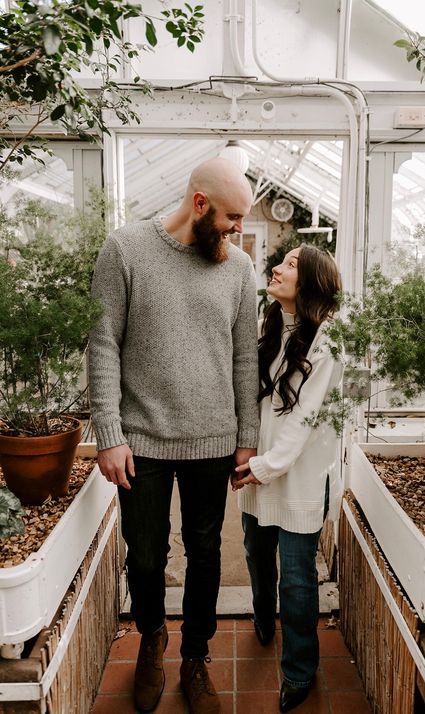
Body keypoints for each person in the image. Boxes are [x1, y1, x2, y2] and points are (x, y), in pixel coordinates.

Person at [88, 157, 259, 714]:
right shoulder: (126, 250)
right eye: (233, 216)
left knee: (206, 553)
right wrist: (109, 432)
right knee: (144, 555)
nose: (238, 228)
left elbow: (243, 360)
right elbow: (103, 342)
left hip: (213, 439)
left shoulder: (238, 270)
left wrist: (246, 436)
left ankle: (195, 655)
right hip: (141, 440)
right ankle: (152, 638)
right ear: (201, 203)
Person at [233, 244, 343, 713]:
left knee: (297, 581)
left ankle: (298, 672)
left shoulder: (329, 341)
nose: (277, 268)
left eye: (292, 264)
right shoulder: (269, 327)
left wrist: (263, 467)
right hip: (259, 469)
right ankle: (262, 616)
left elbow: (305, 419)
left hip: (295, 475)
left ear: (313, 281)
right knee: (257, 555)